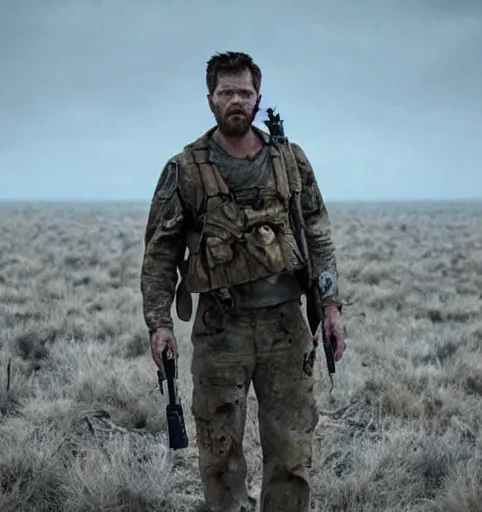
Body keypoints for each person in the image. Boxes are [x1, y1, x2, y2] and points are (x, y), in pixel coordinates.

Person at [140, 51, 346, 512]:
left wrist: (330, 306)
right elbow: (160, 252)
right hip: (220, 328)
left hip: (285, 328)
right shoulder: (185, 169)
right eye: (226, 92)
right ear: (210, 99)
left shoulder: (289, 159)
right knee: (220, 455)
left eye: (245, 93)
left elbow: (316, 230)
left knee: (291, 452)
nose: (237, 100)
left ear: (258, 99)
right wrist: (159, 324)